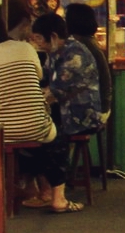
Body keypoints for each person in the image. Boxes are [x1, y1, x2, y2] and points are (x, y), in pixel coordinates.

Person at [0, 0, 77, 212]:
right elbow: (36, 78)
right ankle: (57, 197)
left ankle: (24, 187)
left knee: (17, 138)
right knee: (51, 137)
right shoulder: (26, 50)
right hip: (32, 127)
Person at [32, 12, 103, 144]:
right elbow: (42, 77)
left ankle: (56, 164)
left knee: (39, 134)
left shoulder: (75, 53)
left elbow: (57, 90)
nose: (37, 44)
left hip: (80, 116)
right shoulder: (55, 52)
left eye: (39, 38)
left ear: (53, 36)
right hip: (63, 112)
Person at [64, 2, 113, 112]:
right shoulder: (87, 42)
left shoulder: (82, 45)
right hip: (92, 108)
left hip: (89, 109)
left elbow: (104, 79)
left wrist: (104, 108)